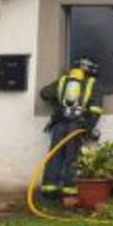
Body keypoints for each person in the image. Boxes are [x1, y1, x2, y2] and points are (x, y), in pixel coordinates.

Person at [39, 57, 102, 199]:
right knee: (72, 157)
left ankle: (49, 189)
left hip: (59, 123)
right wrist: (89, 127)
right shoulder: (92, 83)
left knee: (54, 155)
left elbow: (44, 93)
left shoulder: (63, 81)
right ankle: (69, 191)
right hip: (77, 124)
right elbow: (96, 109)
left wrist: (59, 103)